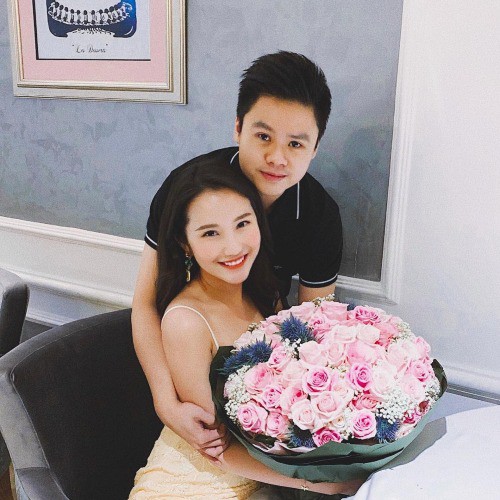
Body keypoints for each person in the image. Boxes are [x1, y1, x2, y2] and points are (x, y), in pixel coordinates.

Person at [132, 51, 343, 460]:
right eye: (263, 136)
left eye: (295, 143)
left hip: (262, 391)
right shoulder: (186, 190)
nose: (277, 157)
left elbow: (312, 332)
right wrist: (165, 402)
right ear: (238, 128)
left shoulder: (320, 217)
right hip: (190, 373)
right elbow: (144, 303)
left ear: (315, 148)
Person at [129, 160, 361, 498]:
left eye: (242, 224)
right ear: (185, 242)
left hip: (267, 477)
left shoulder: (265, 294)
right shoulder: (186, 322)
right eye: (210, 233)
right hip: (199, 483)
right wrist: (323, 484)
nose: (233, 247)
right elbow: (218, 448)